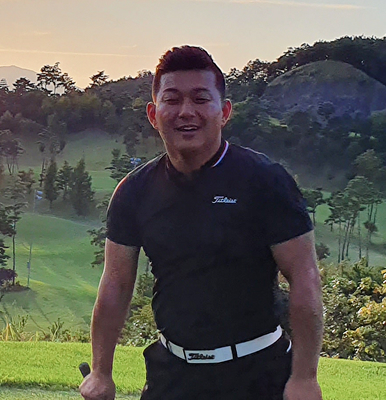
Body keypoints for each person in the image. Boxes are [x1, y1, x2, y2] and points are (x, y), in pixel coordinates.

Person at [80, 45, 323, 400]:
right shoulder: (134, 191)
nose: (186, 111)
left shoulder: (266, 181)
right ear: (153, 114)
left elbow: (304, 277)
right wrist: (101, 372)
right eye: (172, 99)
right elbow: (116, 283)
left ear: (224, 112)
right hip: (171, 375)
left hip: (259, 374)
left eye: (200, 99)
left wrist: (304, 378)